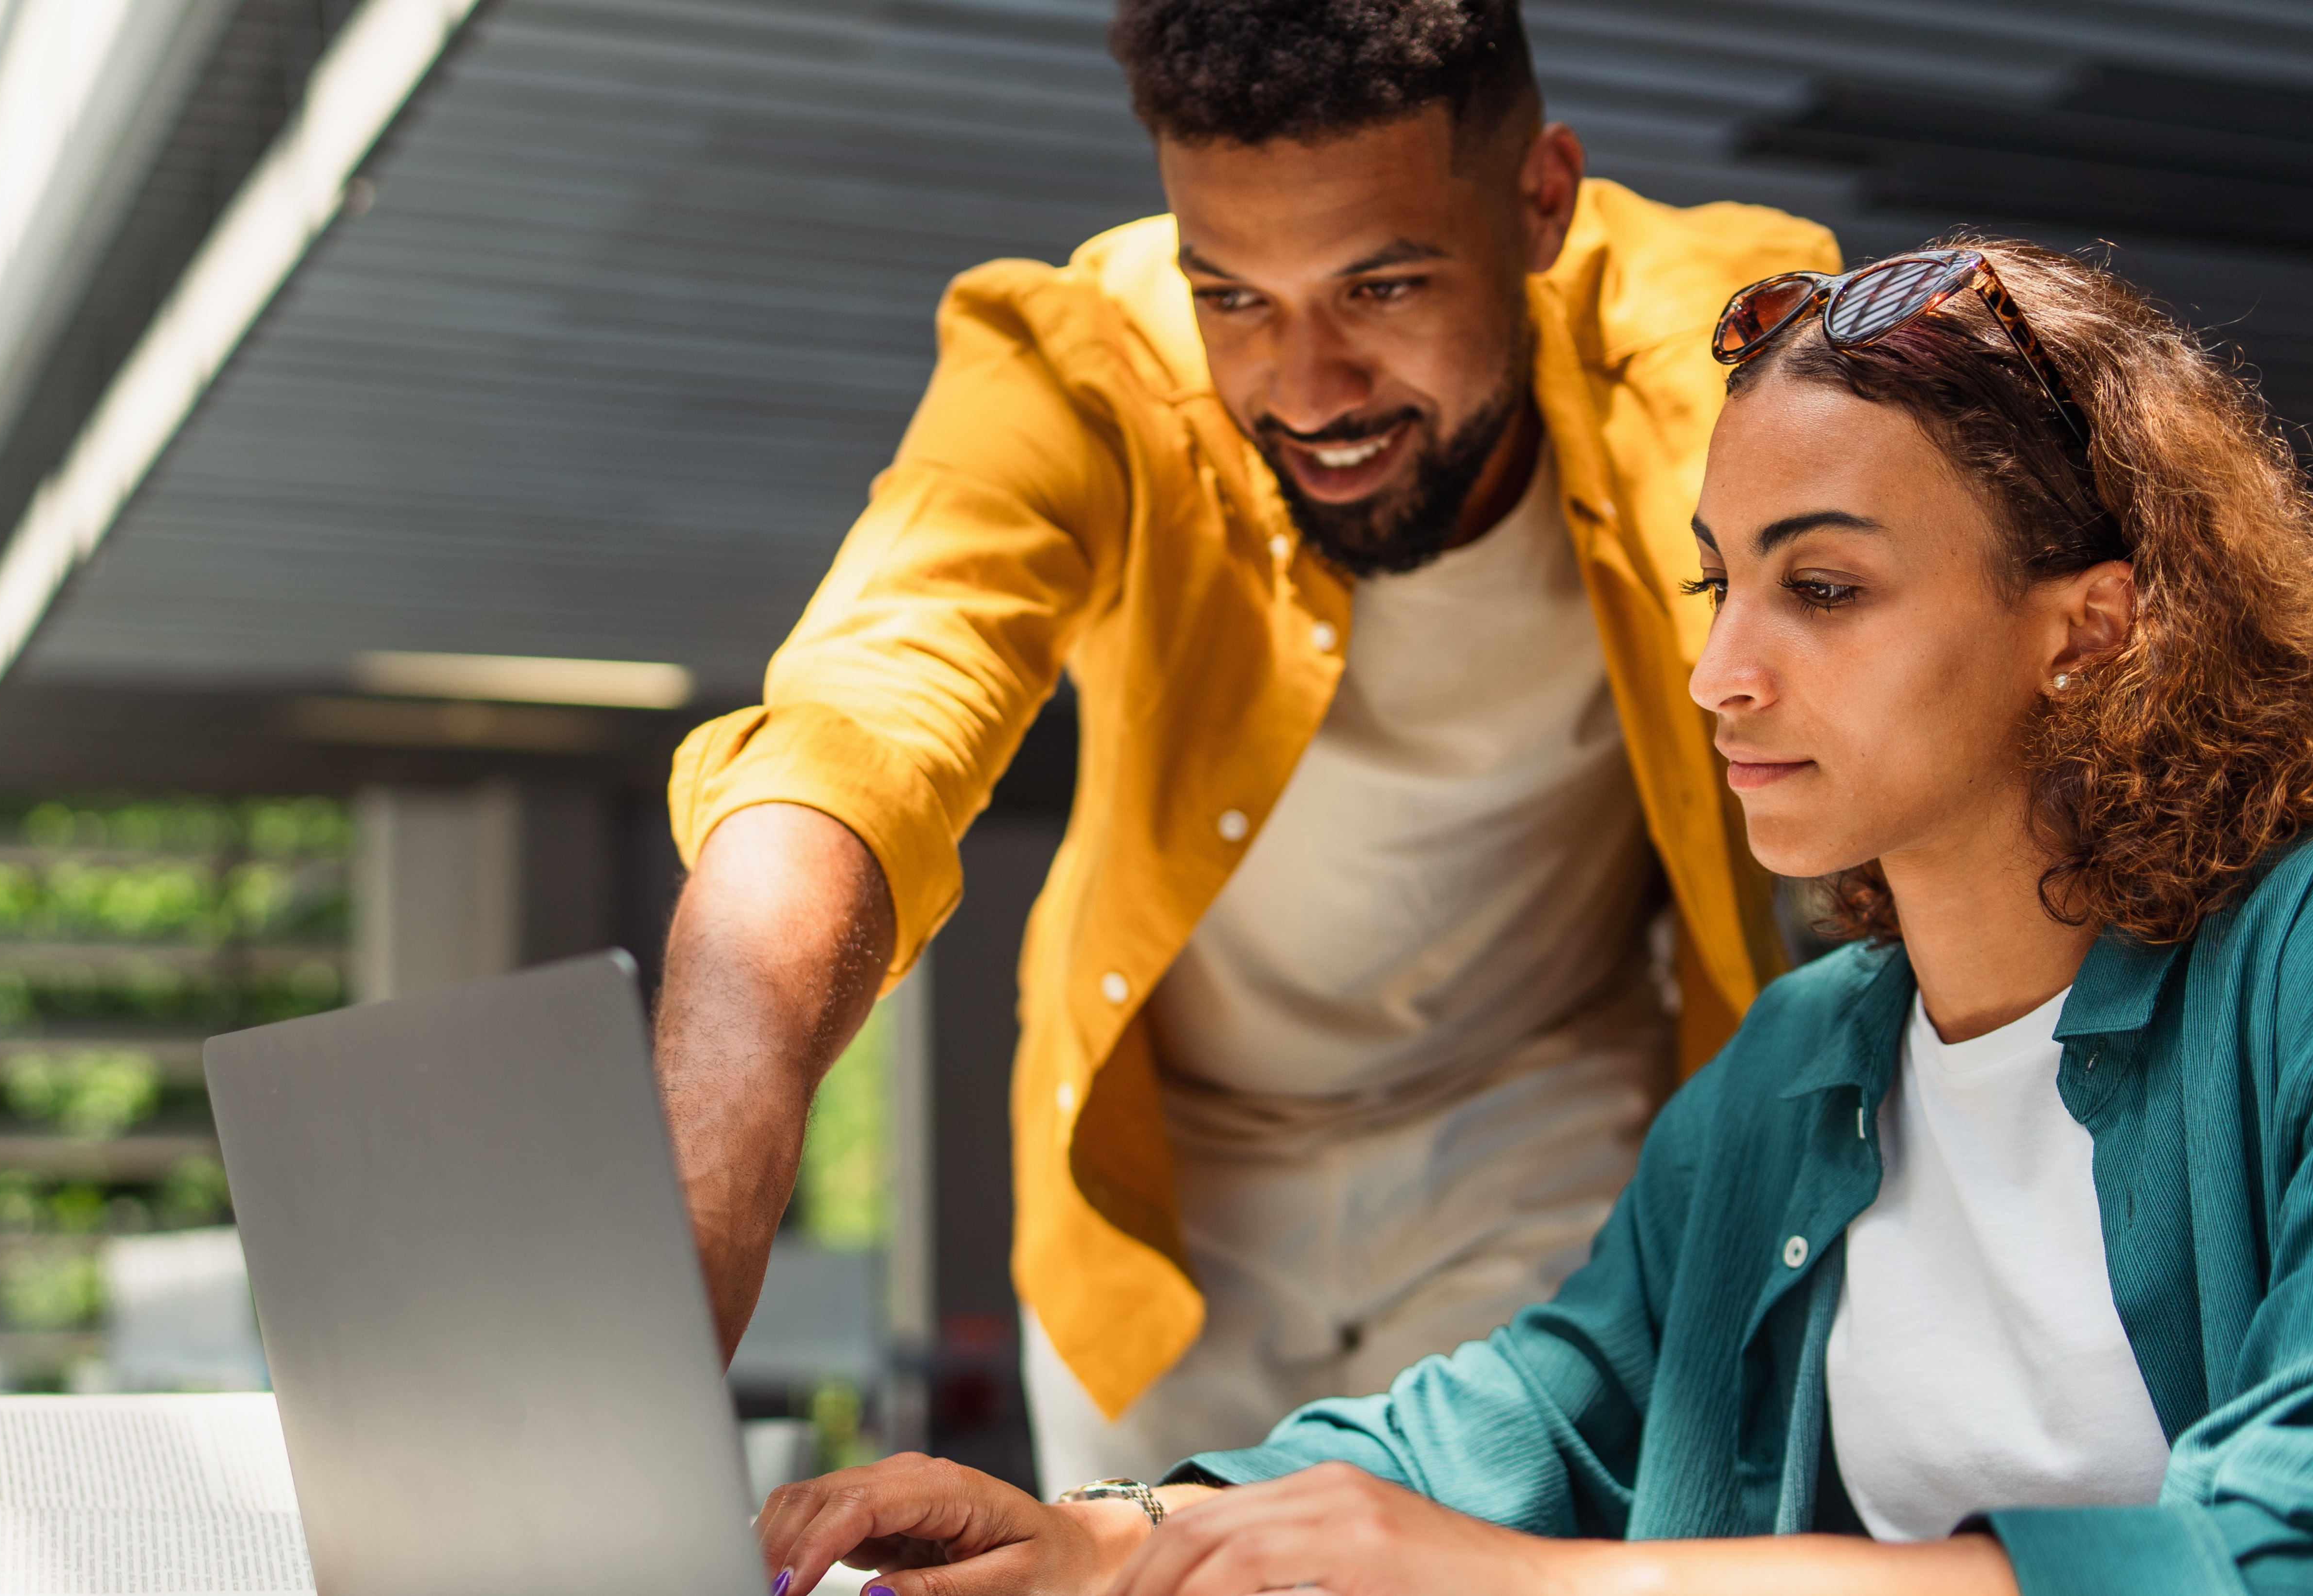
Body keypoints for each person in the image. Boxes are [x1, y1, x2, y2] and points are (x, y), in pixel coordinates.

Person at [748, 239, 2313, 1595]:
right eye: (1718, 583)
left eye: (1823, 589)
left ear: (2088, 628)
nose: (1718, 675)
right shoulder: (1807, 1061)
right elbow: (1533, 1420)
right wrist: (1106, 1536)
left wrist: (1549, 1588)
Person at [655, 0, 1838, 1486]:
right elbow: (865, 714)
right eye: (1232, 297)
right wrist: (702, 1176)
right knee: (1139, 1564)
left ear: (1541, 201)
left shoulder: (1715, 338)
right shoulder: (1084, 360)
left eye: (1382, 287)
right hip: (1170, 1195)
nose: (1309, 389)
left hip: (1540, 1131)